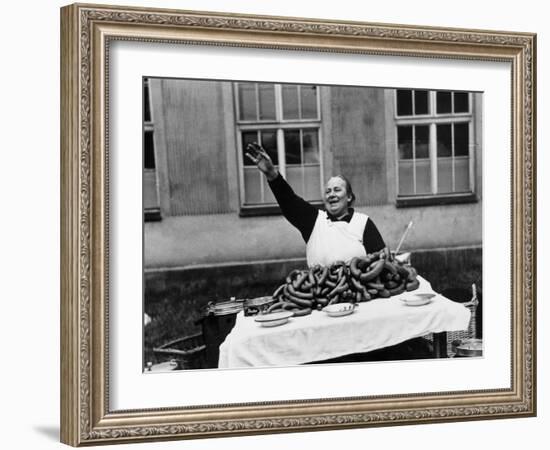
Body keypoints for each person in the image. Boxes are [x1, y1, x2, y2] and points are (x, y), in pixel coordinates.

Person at [245, 143, 388, 267]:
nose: (331, 194)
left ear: (349, 196)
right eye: (328, 191)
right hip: (320, 293)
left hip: (358, 295)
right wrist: (272, 174)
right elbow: (289, 201)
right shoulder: (314, 221)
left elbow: (381, 261)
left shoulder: (363, 223)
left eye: (337, 190)